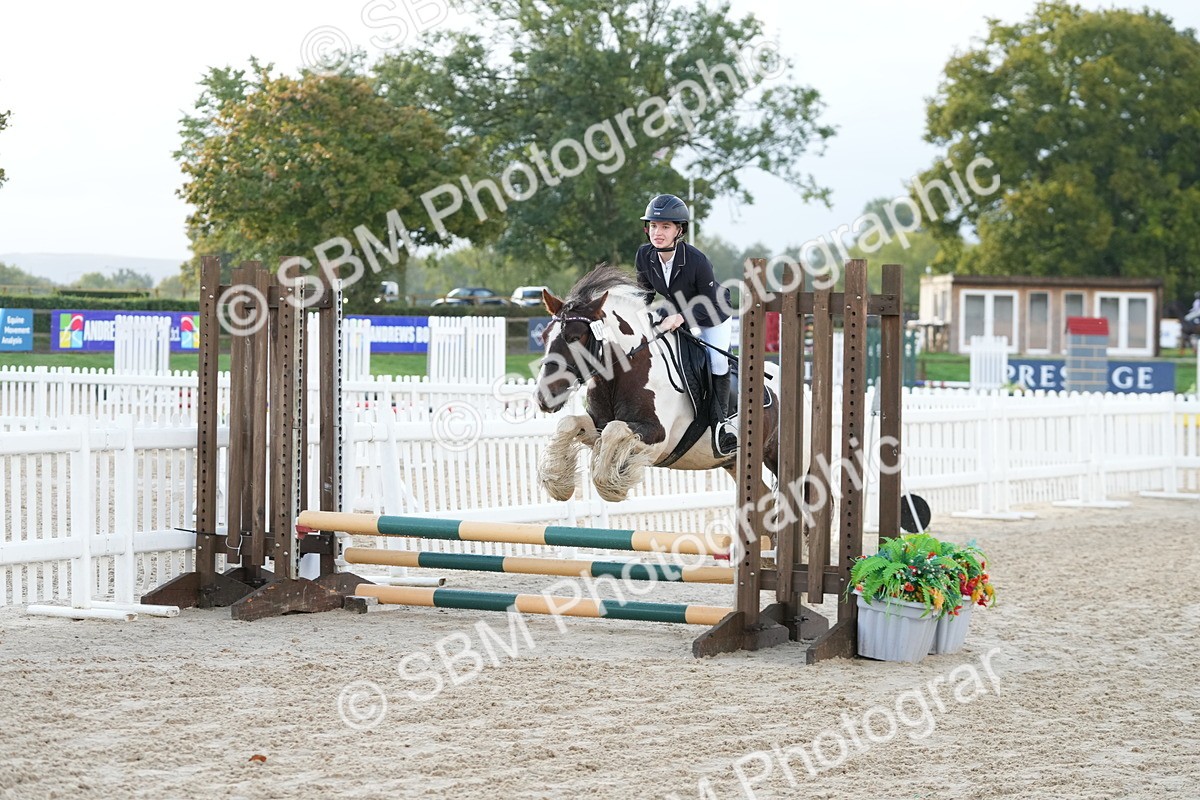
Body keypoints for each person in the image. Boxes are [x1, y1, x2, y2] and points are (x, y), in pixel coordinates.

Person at [634, 193, 737, 454]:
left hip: (713, 312)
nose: (658, 232)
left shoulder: (696, 260)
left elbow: (709, 301)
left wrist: (681, 317)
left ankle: (722, 424)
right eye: (653, 226)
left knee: (717, 361)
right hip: (676, 309)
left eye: (665, 226)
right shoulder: (644, 255)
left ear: (679, 230)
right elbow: (644, 295)